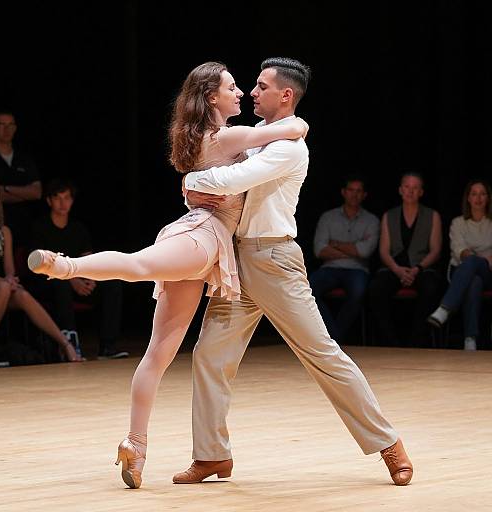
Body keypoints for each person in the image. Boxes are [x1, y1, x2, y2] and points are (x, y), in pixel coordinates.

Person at [26, 61, 309, 488]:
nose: (241, 94)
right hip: (203, 235)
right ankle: (67, 265)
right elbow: (291, 130)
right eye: (233, 88)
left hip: (201, 241)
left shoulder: (200, 137)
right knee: (140, 266)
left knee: (158, 353)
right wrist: (298, 119)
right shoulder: (229, 135)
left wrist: (197, 180)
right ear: (212, 98)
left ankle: (135, 446)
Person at [173, 57, 413, 487]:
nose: (251, 92)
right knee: (210, 355)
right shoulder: (256, 138)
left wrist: (192, 182)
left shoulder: (288, 146)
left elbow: (232, 180)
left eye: (261, 86)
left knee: (321, 354)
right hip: (238, 258)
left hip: (275, 260)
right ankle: (212, 455)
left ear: (286, 95)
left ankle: (389, 443)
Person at [0, 184, 81, 368]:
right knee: (4, 287)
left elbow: (9, 267)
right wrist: (4, 281)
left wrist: (10, 278)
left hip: (0, 286)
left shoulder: (4, 231)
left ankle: (65, 344)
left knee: (23, 295)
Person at [29, 178, 127, 359]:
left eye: (67, 198)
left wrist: (90, 279)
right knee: (61, 285)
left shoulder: (78, 229)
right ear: (49, 201)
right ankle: (71, 346)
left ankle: (107, 346)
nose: (62, 203)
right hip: (50, 283)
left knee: (112, 284)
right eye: (57, 198)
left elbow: (87, 257)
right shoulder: (40, 227)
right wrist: (72, 280)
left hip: (78, 280)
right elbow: (40, 265)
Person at [368, 172, 442, 347]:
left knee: (431, 288)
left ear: (421, 192)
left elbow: (435, 251)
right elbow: (384, 251)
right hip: (395, 268)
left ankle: (417, 341)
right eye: (407, 187)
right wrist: (397, 269)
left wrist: (417, 269)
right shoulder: (389, 216)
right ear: (400, 190)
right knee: (376, 289)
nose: (411, 191)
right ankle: (390, 342)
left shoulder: (432, 215)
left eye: (415, 188)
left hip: (422, 269)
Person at [308, 175, 379, 342]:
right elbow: (319, 250)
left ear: (364, 195)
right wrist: (353, 249)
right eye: (351, 190)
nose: (354, 195)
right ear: (343, 192)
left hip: (357, 269)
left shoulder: (371, 220)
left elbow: (365, 252)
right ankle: (334, 337)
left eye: (358, 191)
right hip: (329, 268)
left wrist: (335, 245)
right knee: (309, 290)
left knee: (358, 292)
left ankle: (333, 339)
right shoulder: (328, 217)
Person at [428, 179, 492, 350]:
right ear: (468, 198)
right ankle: (470, 339)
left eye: (482, 194)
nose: (478, 198)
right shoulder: (458, 223)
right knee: (474, 281)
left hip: (489, 272)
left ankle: (445, 308)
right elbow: (461, 251)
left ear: (488, 198)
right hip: (461, 271)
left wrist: (481, 261)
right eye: (474, 194)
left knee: (475, 268)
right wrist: (479, 258)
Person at [0, 110, 42, 248]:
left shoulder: (25, 158)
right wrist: (25, 193)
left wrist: (7, 188)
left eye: (10, 125)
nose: (7, 129)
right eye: (2, 124)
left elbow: (37, 193)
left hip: (25, 227)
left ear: (15, 128)